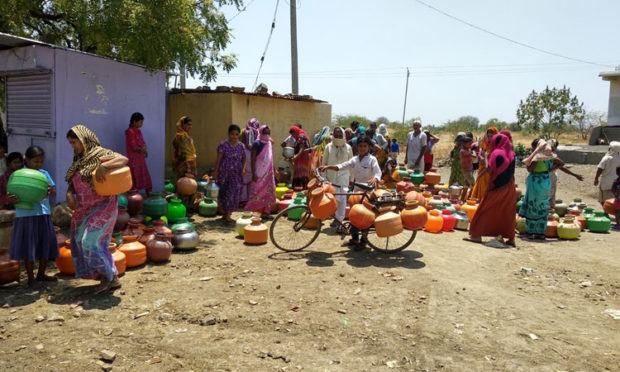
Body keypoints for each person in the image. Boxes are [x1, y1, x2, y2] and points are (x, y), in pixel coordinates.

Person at [66, 125, 127, 294]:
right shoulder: (78, 158)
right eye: (71, 144)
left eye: (75, 142)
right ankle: (109, 276)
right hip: (84, 207)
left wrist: (104, 167)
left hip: (103, 205)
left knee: (90, 240)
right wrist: (70, 193)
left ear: (85, 139)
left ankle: (108, 277)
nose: (74, 146)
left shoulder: (100, 154)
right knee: (79, 240)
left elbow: (123, 159)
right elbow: (73, 181)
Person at [7, 146, 58, 287]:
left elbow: (53, 193)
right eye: (35, 161)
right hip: (26, 215)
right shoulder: (19, 175)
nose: (38, 164)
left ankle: (41, 274)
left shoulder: (44, 174)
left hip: (43, 213)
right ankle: (31, 278)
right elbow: (10, 194)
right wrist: (11, 198)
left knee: (45, 244)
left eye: (41, 161)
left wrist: (50, 191)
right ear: (27, 160)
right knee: (28, 245)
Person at [318, 135, 381, 249]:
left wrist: (375, 179)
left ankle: (363, 241)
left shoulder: (372, 159)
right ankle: (354, 238)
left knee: (365, 216)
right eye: (360, 146)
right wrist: (328, 167)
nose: (362, 148)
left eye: (365, 146)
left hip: (368, 191)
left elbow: (378, 173)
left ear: (369, 147)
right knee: (354, 215)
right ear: (357, 147)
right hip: (357, 191)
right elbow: (341, 166)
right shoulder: (355, 159)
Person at [464, 134, 517, 246]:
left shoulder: (496, 153)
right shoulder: (511, 154)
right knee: (507, 212)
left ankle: (476, 235)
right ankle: (510, 238)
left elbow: (490, 170)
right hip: (510, 186)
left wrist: (485, 159)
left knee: (484, 209)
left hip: (496, 186)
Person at [519, 139, 564, 240]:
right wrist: (549, 169)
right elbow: (561, 163)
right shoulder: (550, 156)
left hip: (535, 182)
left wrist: (532, 158)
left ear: (536, 147)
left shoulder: (537, 156)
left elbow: (529, 169)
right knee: (543, 206)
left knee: (533, 205)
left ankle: (530, 232)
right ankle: (540, 233)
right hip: (545, 181)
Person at [321, 127, 353, 225]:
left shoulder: (348, 148)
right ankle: (331, 214)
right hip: (330, 177)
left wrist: (351, 179)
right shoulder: (328, 147)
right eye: (336, 135)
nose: (338, 137)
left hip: (344, 177)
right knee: (331, 198)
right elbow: (324, 163)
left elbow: (351, 164)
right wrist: (324, 179)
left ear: (343, 136)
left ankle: (338, 219)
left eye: (340, 136)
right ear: (333, 135)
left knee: (342, 200)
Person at [214, 124, 246, 222]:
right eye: (232, 134)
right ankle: (225, 214)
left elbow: (244, 158)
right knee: (223, 193)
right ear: (228, 134)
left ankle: (228, 214)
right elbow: (218, 159)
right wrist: (216, 171)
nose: (234, 137)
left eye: (236, 134)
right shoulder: (223, 145)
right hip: (224, 174)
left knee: (233, 193)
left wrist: (244, 168)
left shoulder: (241, 146)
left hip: (236, 174)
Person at [245, 125, 276, 219]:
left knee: (267, 192)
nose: (266, 135)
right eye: (265, 132)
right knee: (256, 191)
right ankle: (253, 212)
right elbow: (253, 160)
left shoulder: (268, 144)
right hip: (258, 173)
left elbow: (270, 159)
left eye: (268, 133)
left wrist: (274, 170)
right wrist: (254, 173)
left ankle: (266, 212)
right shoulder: (256, 144)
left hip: (268, 173)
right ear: (260, 132)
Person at [547, 139, 583, 207]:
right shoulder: (550, 155)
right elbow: (562, 165)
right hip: (547, 180)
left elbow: (562, 167)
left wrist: (575, 175)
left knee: (548, 198)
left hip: (549, 180)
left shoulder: (551, 156)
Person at [125, 112, 152, 194]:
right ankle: (133, 198)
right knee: (134, 178)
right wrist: (143, 150)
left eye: (142, 122)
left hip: (140, 159)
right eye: (140, 122)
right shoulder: (130, 132)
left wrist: (144, 149)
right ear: (134, 122)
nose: (141, 124)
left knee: (146, 179)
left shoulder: (139, 131)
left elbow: (143, 142)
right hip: (134, 160)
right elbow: (134, 147)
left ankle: (150, 196)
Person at [470, 127, 499, 201]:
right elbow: (480, 152)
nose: (489, 138)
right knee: (481, 183)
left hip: (490, 169)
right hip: (482, 167)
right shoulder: (485, 143)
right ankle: (479, 200)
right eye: (488, 136)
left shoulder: (497, 145)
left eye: (491, 136)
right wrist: (480, 157)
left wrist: (487, 157)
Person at [594, 141, 620, 207]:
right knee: (615, 199)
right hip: (617, 182)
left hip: (606, 182)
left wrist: (596, 178)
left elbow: (600, 168)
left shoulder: (606, 158)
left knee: (604, 199)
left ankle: (606, 213)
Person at [241, 118, 260, 205]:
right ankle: (250, 199)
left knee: (244, 178)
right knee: (252, 177)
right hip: (253, 154)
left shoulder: (244, 131)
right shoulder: (258, 132)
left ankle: (242, 199)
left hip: (244, 153)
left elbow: (241, 142)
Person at [459, 136, 476, 201]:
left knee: (466, 186)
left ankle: (462, 199)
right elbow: (473, 155)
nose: (470, 145)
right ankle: (469, 198)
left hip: (469, 169)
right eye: (469, 144)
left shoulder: (467, 150)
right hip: (467, 171)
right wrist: (474, 151)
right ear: (464, 144)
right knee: (473, 185)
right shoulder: (463, 151)